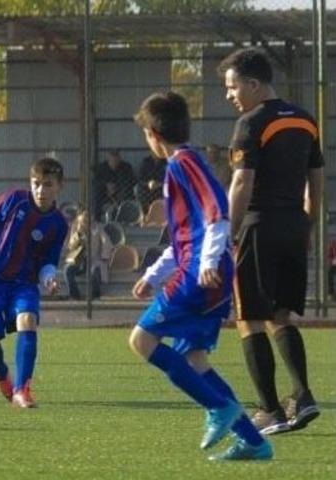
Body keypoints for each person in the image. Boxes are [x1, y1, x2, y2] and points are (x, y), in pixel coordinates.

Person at [130, 91, 272, 461]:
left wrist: (208, 262)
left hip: (202, 272)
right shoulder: (185, 163)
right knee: (195, 360)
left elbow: (217, 212)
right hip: (206, 270)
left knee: (141, 341)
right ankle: (255, 443)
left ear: (153, 136)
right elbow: (184, 236)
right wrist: (154, 274)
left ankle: (219, 408)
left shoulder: (182, 162)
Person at [220, 47, 323, 435]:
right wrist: (307, 226)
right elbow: (316, 182)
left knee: (248, 318)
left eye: (232, 87)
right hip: (295, 225)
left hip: (258, 226)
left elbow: (242, 182)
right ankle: (303, 395)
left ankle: (270, 410)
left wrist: (227, 235)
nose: (229, 95)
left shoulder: (250, 122)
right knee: (281, 314)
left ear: (254, 84)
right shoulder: (305, 119)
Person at [0, 157, 68, 408]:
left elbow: (48, 260)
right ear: (29, 183)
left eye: (47, 185)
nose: (40, 190)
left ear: (59, 187)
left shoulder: (58, 224)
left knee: (28, 320)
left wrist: (49, 279)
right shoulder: (13, 199)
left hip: (23, 283)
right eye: (36, 184)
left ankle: (22, 390)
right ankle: (3, 377)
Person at [61, 211, 112, 300]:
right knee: (68, 270)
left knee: (95, 271)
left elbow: (106, 242)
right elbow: (70, 246)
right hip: (78, 261)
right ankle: (75, 295)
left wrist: (104, 256)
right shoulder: (76, 230)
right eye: (83, 221)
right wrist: (78, 235)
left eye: (87, 220)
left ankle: (95, 295)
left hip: (93, 260)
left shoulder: (98, 228)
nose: (85, 223)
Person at [94, 149, 136, 220]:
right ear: (108, 159)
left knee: (126, 192)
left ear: (119, 159)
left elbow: (131, 181)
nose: (114, 162)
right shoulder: (102, 168)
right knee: (97, 194)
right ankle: (97, 219)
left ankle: (124, 218)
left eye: (116, 160)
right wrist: (106, 186)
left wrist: (117, 188)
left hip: (121, 192)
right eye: (112, 160)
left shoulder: (126, 167)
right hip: (105, 193)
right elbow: (96, 182)